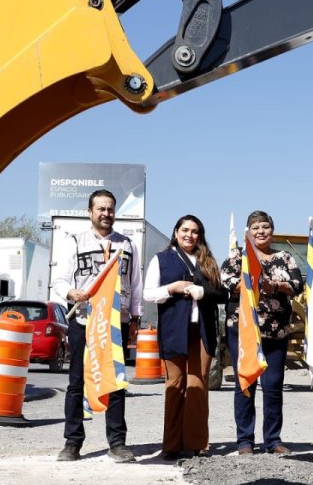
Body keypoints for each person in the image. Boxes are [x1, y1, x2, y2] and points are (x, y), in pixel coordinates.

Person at [51, 190, 143, 463]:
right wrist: (71, 293)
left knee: (115, 382)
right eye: (100, 209)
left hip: (116, 322)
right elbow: (59, 279)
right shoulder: (74, 242)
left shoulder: (127, 244)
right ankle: (72, 442)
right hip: (84, 320)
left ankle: (117, 443)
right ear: (89, 212)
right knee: (77, 381)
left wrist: (136, 317)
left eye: (110, 209)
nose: (106, 213)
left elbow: (135, 283)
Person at [143, 215, 227, 460]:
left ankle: (197, 442)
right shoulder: (162, 259)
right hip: (174, 329)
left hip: (202, 330)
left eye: (195, 231)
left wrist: (203, 292)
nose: (189, 235)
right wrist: (172, 288)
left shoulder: (208, 260)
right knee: (175, 384)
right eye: (185, 230)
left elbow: (222, 294)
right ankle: (171, 444)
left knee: (197, 384)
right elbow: (148, 294)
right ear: (176, 231)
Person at [220, 211, 302, 455]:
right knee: (245, 383)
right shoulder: (237, 257)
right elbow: (226, 282)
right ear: (248, 232)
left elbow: (296, 285)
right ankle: (245, 441)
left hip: (276, 332)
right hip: (243, 330)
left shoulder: (284, 258)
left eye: (265, 227)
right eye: (255, 227)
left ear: (272, 231)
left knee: (274, 385)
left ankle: (273, 440)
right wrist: (251, 283)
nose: (260, 231)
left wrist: (274, 285)